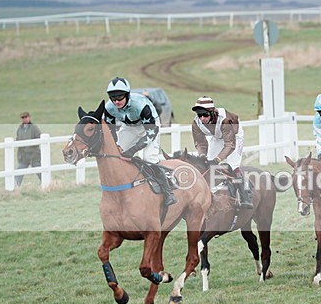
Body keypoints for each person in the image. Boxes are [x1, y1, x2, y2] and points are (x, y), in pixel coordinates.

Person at [104, 76, 176, 207]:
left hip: (150, 127)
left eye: (120, 97)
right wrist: (116, 146)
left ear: (127, 95)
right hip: (129, 127)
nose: (116, 102)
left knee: (149, 158)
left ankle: (168, 192)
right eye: (113, 98)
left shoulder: (141, 105)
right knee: (117, 154)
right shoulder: (109, 107)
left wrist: (132, 150)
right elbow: (110, 130)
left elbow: (151, 133)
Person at [191, 96, 253, 209]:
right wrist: (202, 156)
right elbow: (200, 143)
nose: (202, 118)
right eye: (199, 115)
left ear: (212, 112)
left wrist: (218, 159)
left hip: (234, 136)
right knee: (208, 164)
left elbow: (230, 144)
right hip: (217, 136)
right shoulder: (196, 123)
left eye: (205, 115)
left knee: (233, 164)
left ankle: (246, 196)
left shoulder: (225, 120)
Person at [15, 111, 42, 186]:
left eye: (26, 117)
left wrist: (32, 146)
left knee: (39, 170)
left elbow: (39, 138)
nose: (24, 119)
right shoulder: (20, 129)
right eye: (22, 118)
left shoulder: (34, 127)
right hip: (23, 155)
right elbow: (17, 139)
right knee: (19, 172)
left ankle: (45, 183)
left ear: (29, 117)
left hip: (33, 155)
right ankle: (15, 186)